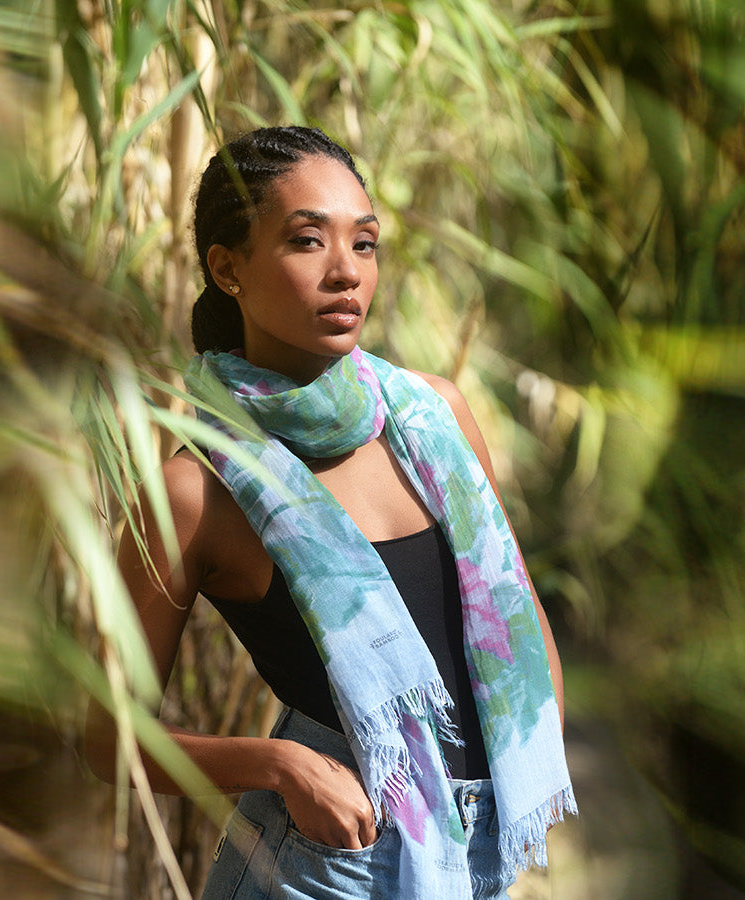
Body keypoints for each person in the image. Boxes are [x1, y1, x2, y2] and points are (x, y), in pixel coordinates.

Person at [84, 125, 575, 899]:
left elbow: (520, 618)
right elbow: (106, 734)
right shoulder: (198, 489)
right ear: (227, 268)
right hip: (326, 863)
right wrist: (279, 766)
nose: (346, 272)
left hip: (476, 854)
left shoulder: (434, 418)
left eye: (366, 244)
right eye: (308, 241)